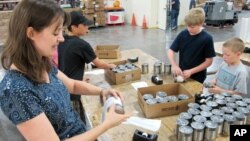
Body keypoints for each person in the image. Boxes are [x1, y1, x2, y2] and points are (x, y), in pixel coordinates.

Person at [0, 0, 130, 140]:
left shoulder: (42, 63)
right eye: (56, 33)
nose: (61, 39)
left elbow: (72, 85)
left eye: (61, 31)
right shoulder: (15, 89)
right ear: (31, 33)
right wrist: (106, 125)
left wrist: (102, 91)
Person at [57, 11, 116, 123]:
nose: (87, 27)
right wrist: (111, 66)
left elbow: (67, 63)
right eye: (84, 25)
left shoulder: (62, 40)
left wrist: (79, 78)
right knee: (78, 122)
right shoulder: (82, 45)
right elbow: (99, 64)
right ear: (74, 27)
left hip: (63, 87)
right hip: (73, 94)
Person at [167, 7, 215, 83]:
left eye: (192, 27)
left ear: (201, 24)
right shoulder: (183, 34)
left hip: (198, 78)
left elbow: (209, 61)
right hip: (182, 74)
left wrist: (191, 71)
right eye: (187, 26)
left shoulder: (207, 39)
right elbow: (171, 51)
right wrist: (174, 65)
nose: (189, 29)